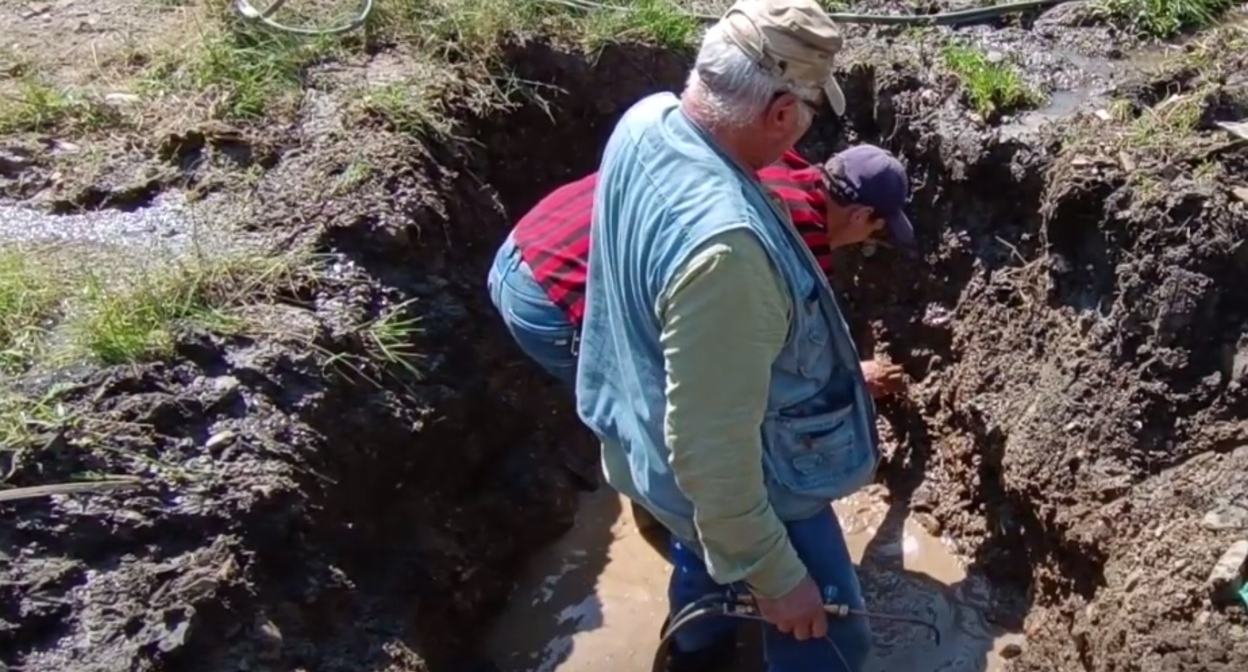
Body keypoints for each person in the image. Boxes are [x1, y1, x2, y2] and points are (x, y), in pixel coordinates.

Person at [575, 0, 908, 670]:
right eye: (807, 114)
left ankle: (696, 655)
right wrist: (777, 576)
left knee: (708, 563)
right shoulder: (726, 252)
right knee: (832, 643)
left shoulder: (646, 123)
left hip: (645, 452)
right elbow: (712, 449)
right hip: (738, 485)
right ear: (781, 112)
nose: (803, 134)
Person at [486, 144, 912, 397]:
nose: (871, 238)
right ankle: (691, 535)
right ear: (859, 216)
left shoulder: (772, 155)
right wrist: (851, 379)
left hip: (538, 233)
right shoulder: (791, 246)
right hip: (554, 295)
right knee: (665, 431)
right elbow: (753, 370)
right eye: (877, 227)